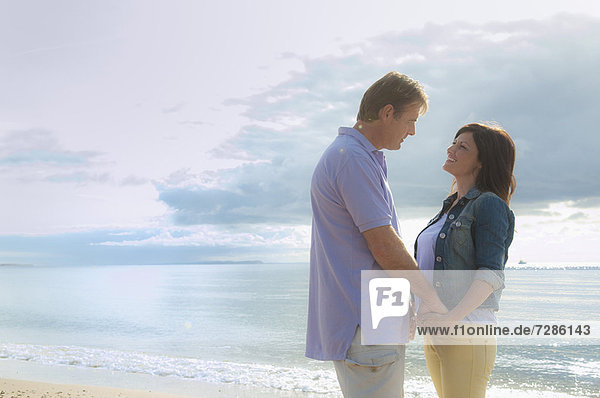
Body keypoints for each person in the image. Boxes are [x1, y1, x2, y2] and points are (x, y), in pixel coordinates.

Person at [306, 71, 447, 398]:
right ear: (387, 113)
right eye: (410, 120)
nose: (412, 131)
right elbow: (384, 246)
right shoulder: (353, 159)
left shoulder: (353, 155)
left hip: (369, 316)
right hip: (368, 319)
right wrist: (432, 299)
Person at [416, 123, 516, 398]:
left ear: (483, 162)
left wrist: (451, 318)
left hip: (467, 329)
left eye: (463, 147)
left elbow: (491, 274)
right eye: (454, 142)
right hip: (437, 329)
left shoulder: (489, 204)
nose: (451, 149)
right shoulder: (448, 208)